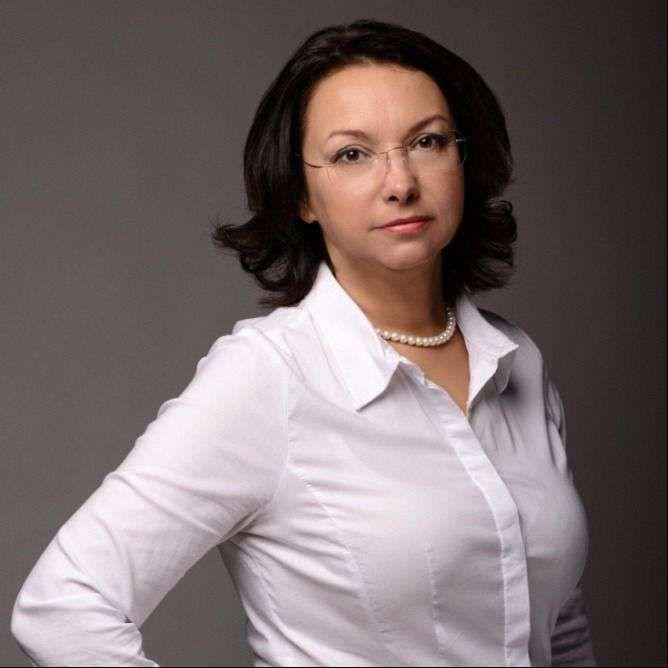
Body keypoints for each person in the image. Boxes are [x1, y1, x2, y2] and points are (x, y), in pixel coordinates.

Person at [10, 18, 597, 667]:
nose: (400, 182)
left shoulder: (517, 361)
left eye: (427, 141)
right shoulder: (269, 376)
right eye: (352, 154)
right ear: (302, 196)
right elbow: (62, 608)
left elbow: (556, 622)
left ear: (464, 158)